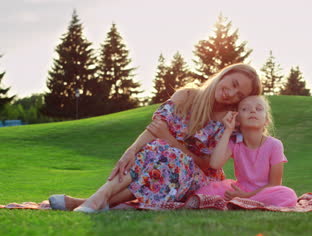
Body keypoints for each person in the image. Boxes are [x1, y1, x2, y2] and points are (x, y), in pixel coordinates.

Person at [48, 63, 262, 212]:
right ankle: (99, 199)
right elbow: (154, 129)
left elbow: (210, 165)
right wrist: (130, 151)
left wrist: (172, 142)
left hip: (199, 180)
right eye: (233, 84)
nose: (231, 94)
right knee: (159, 150)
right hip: (163, 165)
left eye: (239, 95)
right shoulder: (186, 96)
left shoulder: (230, 122)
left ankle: (92, 200)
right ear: (224, 75)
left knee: (165, 150)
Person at [195, 95, 297, 207]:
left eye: (259, 109)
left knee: (288, 195)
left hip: (265, 192)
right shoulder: (235, 143)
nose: (252, 111)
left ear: (266, 120)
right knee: (205, 191)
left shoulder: (274, 145)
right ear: (237, 119)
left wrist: (246, 196)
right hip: (238, 190)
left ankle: (243, 202)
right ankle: (244, 202)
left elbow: (275, 184)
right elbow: (214, 164)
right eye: (245, 109)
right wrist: (228, 129)